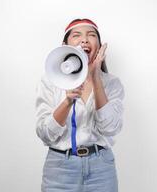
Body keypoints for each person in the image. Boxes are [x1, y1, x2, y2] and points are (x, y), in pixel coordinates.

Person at [35, 18, 124, 192]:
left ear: (99, 46)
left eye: (91, 35)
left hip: (101, 169)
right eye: (77, 35)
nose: (84, 39)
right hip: (60, 169)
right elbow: (45, 134)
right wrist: (67, 101)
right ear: (64, 45)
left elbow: (110, 128)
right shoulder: (50, 82)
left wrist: (96, 77)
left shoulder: (112, 84)